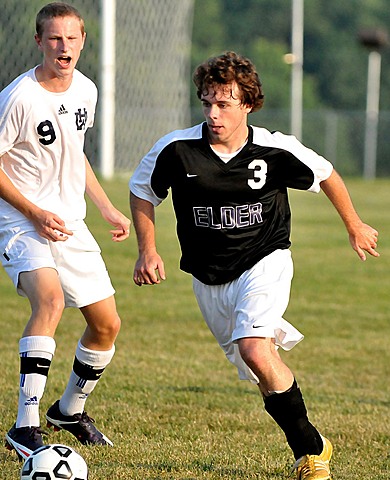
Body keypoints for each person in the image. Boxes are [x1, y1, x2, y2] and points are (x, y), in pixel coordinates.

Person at [129, 51, 379, 479]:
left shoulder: (274, 148)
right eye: (207, 102)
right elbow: (141, 192)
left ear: (248, 103)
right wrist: (147, 249)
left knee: (254, 348)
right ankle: (316, 444)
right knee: (257, 368)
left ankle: (310, 457)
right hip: (208, 279)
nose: (213, 113)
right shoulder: (176, 149)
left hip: (265, 259)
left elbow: (327, 174)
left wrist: (354, 225)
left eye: (224, 103)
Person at [1, 3, 131, 460]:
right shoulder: (18, 98)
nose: (64, 47)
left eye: (72, 39)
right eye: (54, 38)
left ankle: (69, 410)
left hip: (70, 223)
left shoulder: (87, 91)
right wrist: (33, 212)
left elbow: (76, 157)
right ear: (39, 41)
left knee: (106, 324)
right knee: (51, 301)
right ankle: (24, 425)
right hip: (21, 219)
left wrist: (109, 208)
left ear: (82, 43)